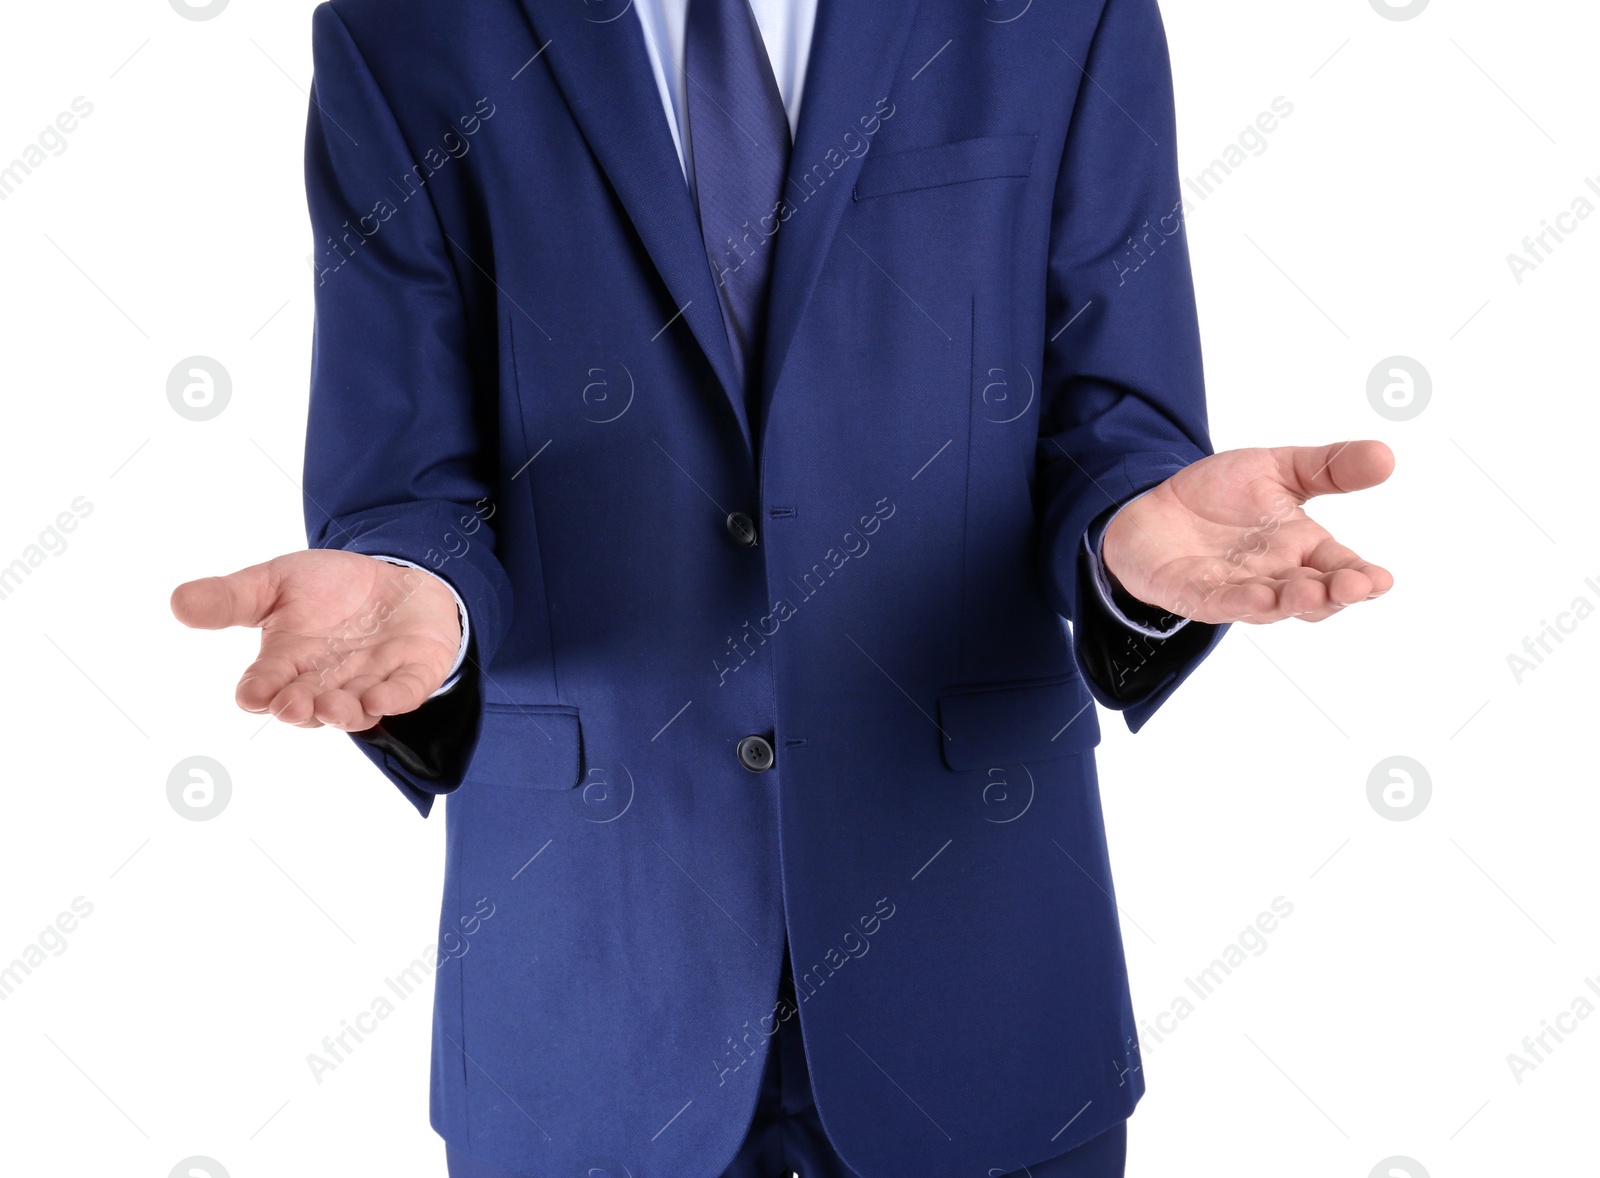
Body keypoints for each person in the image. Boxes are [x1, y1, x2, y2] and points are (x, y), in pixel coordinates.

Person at [171, 1, 1394, 1174]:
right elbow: (403, 473)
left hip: (977, 950)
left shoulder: (1065, 12)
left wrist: (1134, 544)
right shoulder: (406, 26)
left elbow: (1110, 421)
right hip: (588, 969)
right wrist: (412, 590)